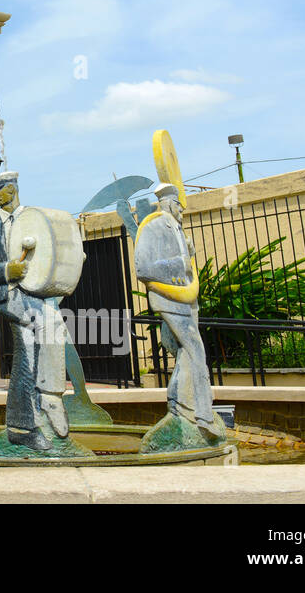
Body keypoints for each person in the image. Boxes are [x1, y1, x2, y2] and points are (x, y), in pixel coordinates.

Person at [0, 171, 69, 449]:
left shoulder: (33, 220)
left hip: (38, 295)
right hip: (10, 296)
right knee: (26, 350)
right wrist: (5, 270)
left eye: (1, 189)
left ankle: (51, 397)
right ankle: (23, 428)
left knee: (56, 332)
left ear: (13, 189)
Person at [135, 182, 219, 435]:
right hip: (169, 299)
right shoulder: (153, 226)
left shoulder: (178, 230)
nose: (182, 212)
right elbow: (143, 268)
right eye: (179, 207)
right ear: (169, 203)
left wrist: (188, 253)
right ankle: (200, 415)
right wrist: (180, 261)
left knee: (182, 350)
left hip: (186, 300)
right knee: (195, 349)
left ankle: (179, 405)